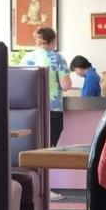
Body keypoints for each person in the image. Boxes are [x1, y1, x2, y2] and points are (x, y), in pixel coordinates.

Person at [21, 27, 72, 200]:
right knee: (47, 149)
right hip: (52, 108)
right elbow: (66, 85)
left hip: (31, 108)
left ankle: (34, 189)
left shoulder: (27, 58)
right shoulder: (57, 58)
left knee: (34, 148)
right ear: (53, 41)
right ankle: (45, 189)